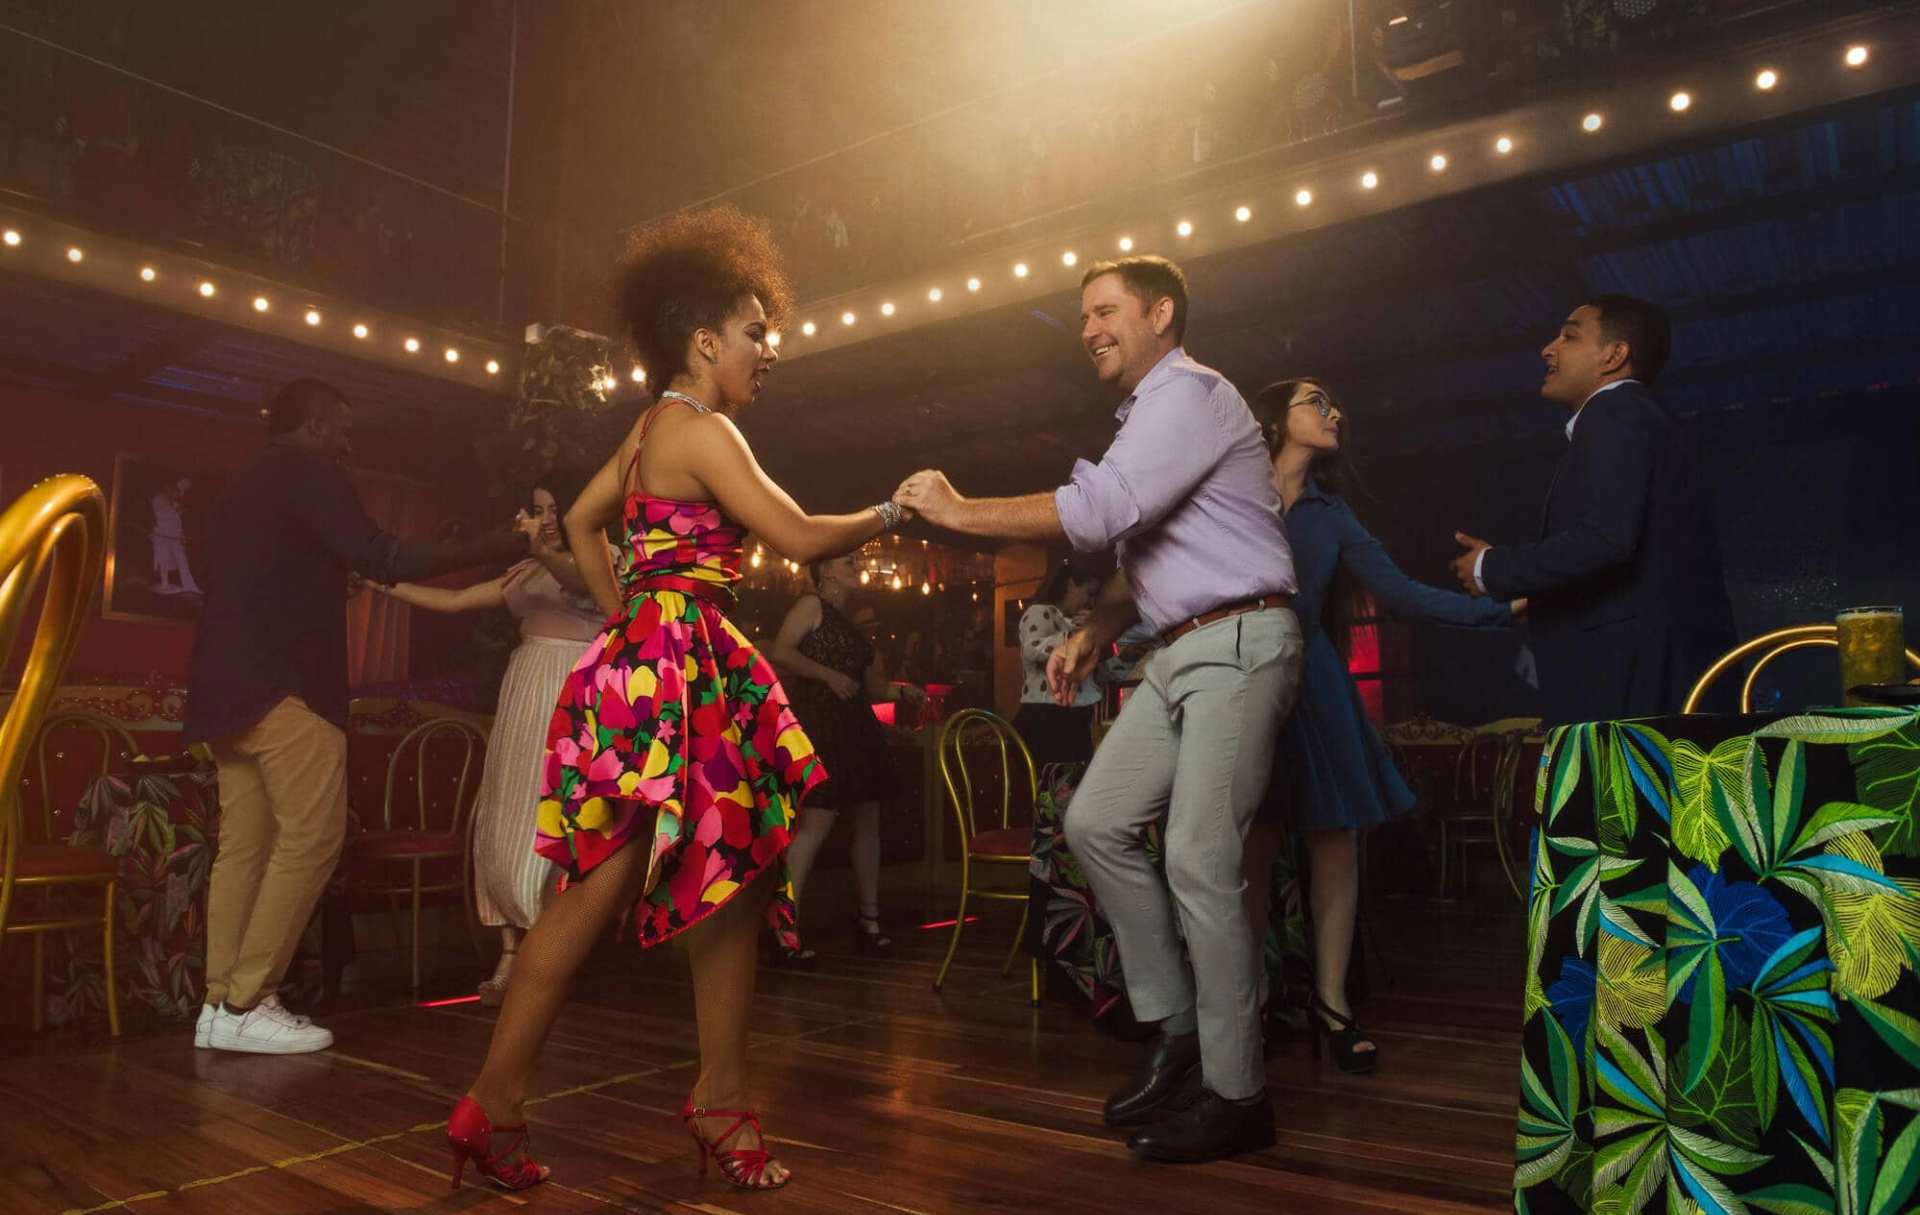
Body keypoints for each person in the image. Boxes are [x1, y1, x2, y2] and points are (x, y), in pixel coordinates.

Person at [448, 205, 911, 1193]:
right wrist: (898, 508)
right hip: (683, 667)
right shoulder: (702, 429)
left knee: (646, 891)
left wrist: (627, 622)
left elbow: (581, 521)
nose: (767, 351)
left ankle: (503, 1102)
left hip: (651, 663)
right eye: (755, 331)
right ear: (705, 342)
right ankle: (714, 1102)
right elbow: (795, 535)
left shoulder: (649, 428)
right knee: (709, 883)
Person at [895, 254, 1303, 1164]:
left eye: (1106, 309)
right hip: (1181, 648)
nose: (1088, 329)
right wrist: (1101, 622)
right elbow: (1159, 542)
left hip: (1237, 645)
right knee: (1095, 820)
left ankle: (1241, 1095)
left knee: (1200, 857)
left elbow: (1104, 507)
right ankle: (1179, 1028)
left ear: (1162, 313)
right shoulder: (1152, 412)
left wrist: (957, 511)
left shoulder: (1188, 394)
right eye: (1083, 315)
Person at [184, 378, 524, 1055]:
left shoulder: (243, 486)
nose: (349, 440)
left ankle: (220, 1005)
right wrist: (500, 541)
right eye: (343, 425)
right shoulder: (307, 469)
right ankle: (248, 999)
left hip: (222, 690)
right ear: (314, 422)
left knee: (244, 848)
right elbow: (385, 555)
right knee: (312, 837)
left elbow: (232, 576)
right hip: (285, 689)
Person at [1248, 378, 1519, 1073]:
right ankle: (1240, 1004)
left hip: (1315, 687)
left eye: (1336, 401)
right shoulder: (1230, 491)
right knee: (1245, 851)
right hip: (1242, 686)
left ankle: (1333, 1006)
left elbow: (1401, 593)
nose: (1334, 410)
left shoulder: (1332, 514)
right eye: (1316, 401)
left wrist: (1501, 610)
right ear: (1272, 419)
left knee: (1335, 844)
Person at [364, 475, 601, 1005]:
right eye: (536, 510)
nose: (543, 520)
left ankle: (552, 952)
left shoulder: (602, 560)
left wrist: (541, 545)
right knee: (508, 811)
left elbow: (582, 584)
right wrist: (379, 580)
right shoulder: (526, 568)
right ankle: (511, 949)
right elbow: (455, 601)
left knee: (556, 815)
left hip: (575, 688)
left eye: (553, 510)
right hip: (525, 686)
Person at [1450, 295, 1734, 726]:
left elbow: (1606, 538)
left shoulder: (1614, 414)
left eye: (1569, 336)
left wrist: (1492, 567)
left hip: (1632, 677)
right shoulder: (1639, 419)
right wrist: (1538, 591)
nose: (1549, 348)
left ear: (1614, 356)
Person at [764, 553, 922, 963]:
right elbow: (781, 652)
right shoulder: (810, 605)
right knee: (818, 819)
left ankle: (869, 920)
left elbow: (872, 687)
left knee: (867, 816)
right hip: (820, 721)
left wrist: (902, 692)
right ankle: (784, 926)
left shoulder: (850, 623)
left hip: (855, 726)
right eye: (847, 560)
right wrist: (828, 675)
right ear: (826, 571)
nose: (856, 564)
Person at [1012, 562, 1106, 768]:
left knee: (1073, 782)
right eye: (1089, 593)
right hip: (1045, 714)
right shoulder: (1041, 611)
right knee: (1050, 785)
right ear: (1071, 584)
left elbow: (1093, 672)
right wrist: (1076, 636)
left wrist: (1122, 658)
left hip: (1076, 715)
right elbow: (1032, 647)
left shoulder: (1077, 623)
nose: (1090, 603)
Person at [150, 476, 203, 595]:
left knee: (181, 560)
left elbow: (176, 517)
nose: (176, 493)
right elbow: (163, 517)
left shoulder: (172, 501)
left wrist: (178, 508)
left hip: (174, 536)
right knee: (164, 561)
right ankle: (165, 584)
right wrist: (175, 511)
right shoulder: (158, 500)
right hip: (163, 535)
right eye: (174, 490)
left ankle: (189, 586)